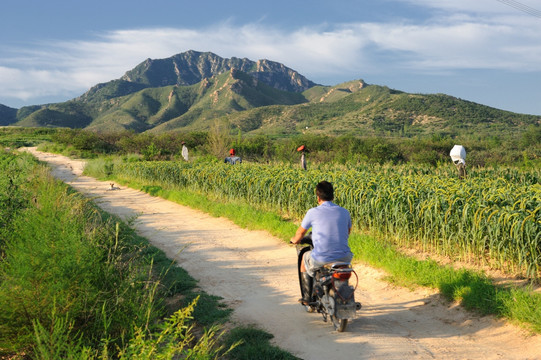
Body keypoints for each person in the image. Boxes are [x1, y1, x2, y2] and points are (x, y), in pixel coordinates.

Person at [290, 181, 353, 305]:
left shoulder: (313, 212)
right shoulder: (345, 212)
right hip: (345, 257)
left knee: (304, 259)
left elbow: (300, 233)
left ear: (318, 197)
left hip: (322, 257)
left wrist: (294, 240)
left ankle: (307, 298)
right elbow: (347, 232)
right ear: (333, 196)